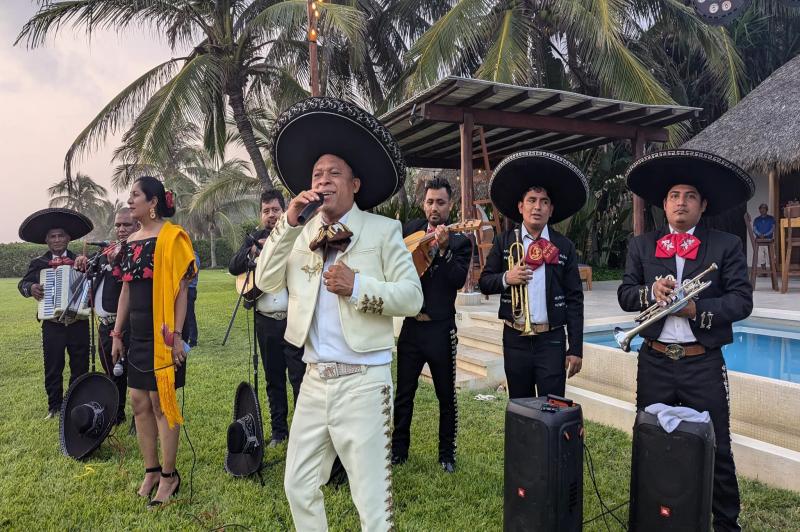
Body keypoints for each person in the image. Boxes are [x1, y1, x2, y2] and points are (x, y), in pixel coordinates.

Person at [255, 97, 423, 531]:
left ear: (355, 184)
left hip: (364, 382)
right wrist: (288, 224)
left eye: (334, 173)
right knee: (297, 484)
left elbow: (412, 298)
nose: (323, 180)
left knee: (371, 502)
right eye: (316, 175)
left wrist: (358, 287)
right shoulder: (300, 232)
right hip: (314, 380)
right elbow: (265, 280)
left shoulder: (383, 231)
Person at [618, 149, 754, 532]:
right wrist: (650, 292)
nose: (681, 202)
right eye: (675, 196)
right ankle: (647, 520)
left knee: (719, 447)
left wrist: (699, 311)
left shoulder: (725, 245)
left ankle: (726, 524)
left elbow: (742, 301)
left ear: (702, 204)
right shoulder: (641, 246)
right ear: (664, 204)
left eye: (690, 196)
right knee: (649, 442)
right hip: (656, 360)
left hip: (702, 362)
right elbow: (626, 294)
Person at [110, 176, 196, 508]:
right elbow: (127, 290)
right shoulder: (132, 241)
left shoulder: (173, 238)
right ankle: (151, 469)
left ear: (153, 202)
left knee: (163, 405)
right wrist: (117, 333)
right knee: (139, 403)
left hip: (164, 336)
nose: (130, 201)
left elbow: (181, 293)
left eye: (135, 196)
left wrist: (176, 338)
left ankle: (170, 476)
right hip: (138, 334)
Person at [478, 151, 586, 399]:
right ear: (521, 206)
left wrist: (576, 348)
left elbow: (574, 299)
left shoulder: (564, 246)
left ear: (551, 209)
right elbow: (484, 282)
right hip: (515, 338)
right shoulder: (505, 242)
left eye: (544, 201)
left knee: (552, 407)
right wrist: (508, 278)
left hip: (552, 340)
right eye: (531, 200)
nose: (537, 206)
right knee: (520, 406)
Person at [391, 177, 471, 473]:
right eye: (429, 201)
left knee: (446, 395)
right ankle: (399, 451)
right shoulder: (410, 231)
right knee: (404, 393)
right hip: (411, 327)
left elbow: (457, 280)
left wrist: (446, 249)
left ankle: (446, 454)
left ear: (450, 205)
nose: (434, 207)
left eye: (440, 202)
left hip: (441, 329)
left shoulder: (462, 241)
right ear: (423, 204)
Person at [229, 189, 305, 447]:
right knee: (274, 379)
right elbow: (233, 267)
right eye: (266, 211)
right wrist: (252, 250)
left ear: (284, 211)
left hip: (293, 319)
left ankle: (303, 433)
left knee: (299, 377)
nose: (271, 215)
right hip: (265, 320)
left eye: (275, 209)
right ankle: (279, 432)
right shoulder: (256, 238)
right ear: (261, 214)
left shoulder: (296, 235)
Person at [18, 208, 93, 419]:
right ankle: (55, 407)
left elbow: (93, 284)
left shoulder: (81, 261)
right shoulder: (38, 264)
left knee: (80, 364)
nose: (57, 239)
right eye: (53, 236)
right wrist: (31, 288)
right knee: (53, 365)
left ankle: (75, 402)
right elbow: (22, 284)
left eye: (61, 235)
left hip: (78, 321)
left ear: (68, 238)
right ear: (47, 240)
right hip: (52, 323)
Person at [74, 208, 138, 425]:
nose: (121, 229)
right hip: (105, 325)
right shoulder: (106, 251)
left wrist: (117, 263)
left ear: (138, 225)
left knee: (134, 373)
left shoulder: (139, 251)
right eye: (118, 225)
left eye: (126, 225)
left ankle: (139, 421)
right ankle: (117, 414)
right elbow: (90, 270)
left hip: (130, 324)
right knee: (112, 372)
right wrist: (83, 261)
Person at [184, 251, 200, 347]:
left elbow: (193, 272)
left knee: (189, 315)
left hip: (190, 289)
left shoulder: (194, 256)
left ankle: (193, 340)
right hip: (185, 289)